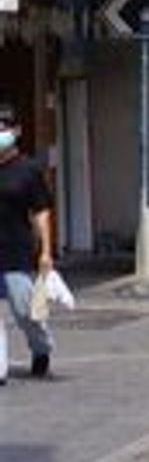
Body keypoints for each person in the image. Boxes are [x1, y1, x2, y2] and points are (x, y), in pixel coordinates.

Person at [0, 106, 54, 383]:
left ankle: (41, 349)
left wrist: (46, 250)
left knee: (25, 312)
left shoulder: (28, 170)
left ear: (16, 131)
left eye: (3, 127)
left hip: (16, 253)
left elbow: (42, 210)